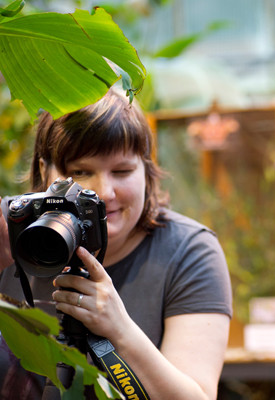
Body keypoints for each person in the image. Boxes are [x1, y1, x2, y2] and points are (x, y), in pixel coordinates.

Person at [0, 87, 233, 399]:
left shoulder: (188, 251)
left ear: (147, 172)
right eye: (80, 172)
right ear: (45, 171)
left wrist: (119, 329)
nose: (105, 192)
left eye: (122, 171)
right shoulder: (8, 229)